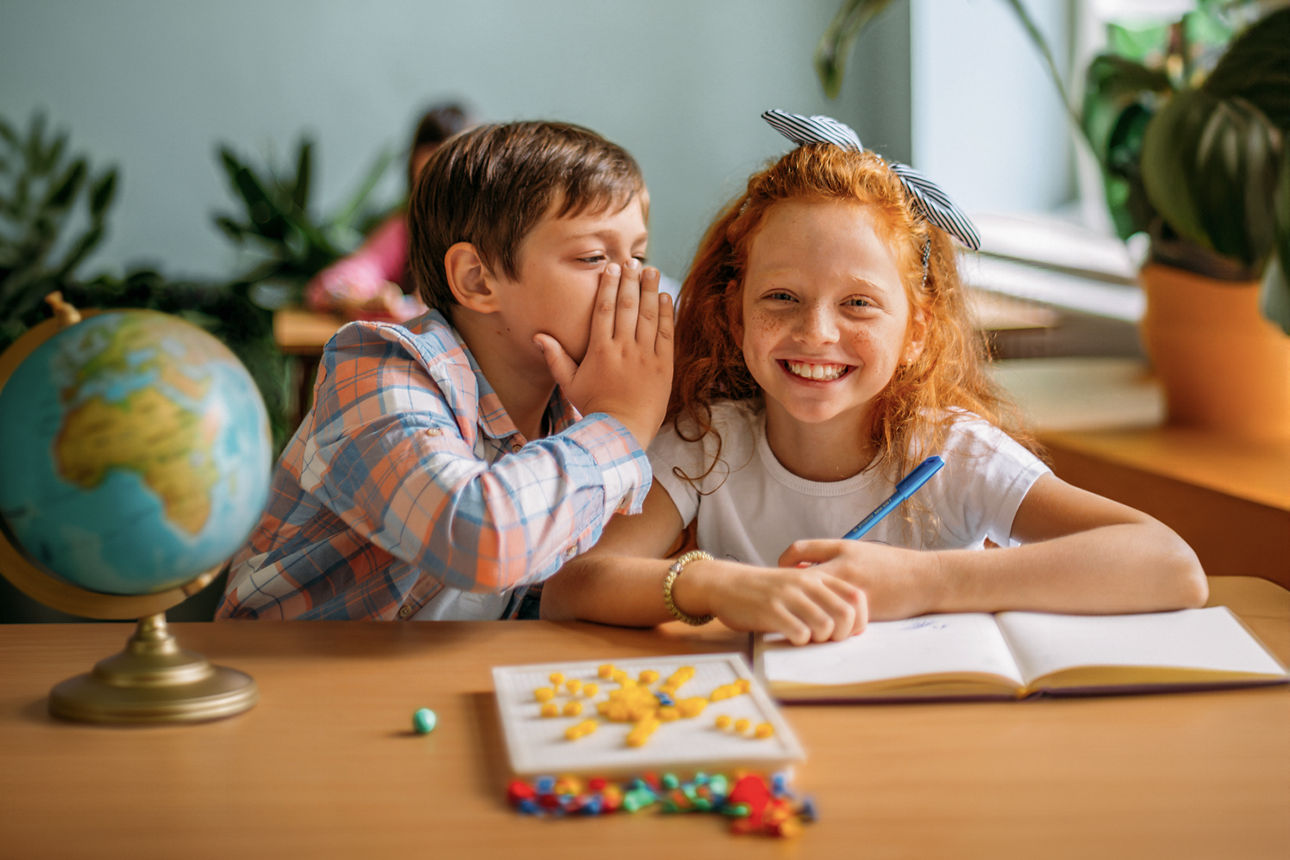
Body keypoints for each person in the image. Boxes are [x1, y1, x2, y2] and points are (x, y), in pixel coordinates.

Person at [540, 110, 1207, 645]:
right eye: (781, 298)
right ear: (735, 315)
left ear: (916, 332)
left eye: (858, 303)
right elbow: (572, 587)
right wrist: (714, 585)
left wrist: (925, 581)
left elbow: (1169, 563)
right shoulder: (708, 443)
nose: (816, 333)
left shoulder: (950, 452)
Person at [217, 120, 672, 620]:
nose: (633, 281)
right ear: (477, 280)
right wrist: (620, 425)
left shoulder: (573, 405)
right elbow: (480, 540)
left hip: (442, 666)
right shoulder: (378, 372)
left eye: (638, 255)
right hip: (286, 665)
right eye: (593, 257)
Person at [303, 101, 473, 322]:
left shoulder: (490, 234)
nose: (437, 198)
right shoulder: (406, 230)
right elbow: (334, 283)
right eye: (425, 184)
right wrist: (363, 298)